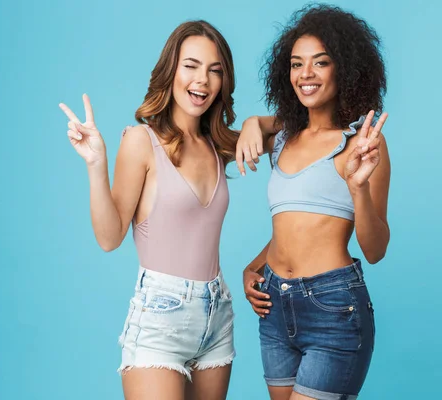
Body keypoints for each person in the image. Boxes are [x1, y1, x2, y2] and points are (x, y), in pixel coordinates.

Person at [59, 20, 273, 400]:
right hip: (160, 316)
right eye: (191, 66)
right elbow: (110, 238)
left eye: (214, 70)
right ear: (170, 71)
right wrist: (96, 165)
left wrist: (256, 122)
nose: (202, 81)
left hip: (217, 316)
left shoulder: (218, 145)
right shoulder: (142, 141)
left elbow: (302, 124)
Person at [239, 4, 391, 399]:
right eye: (296, 64)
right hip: (274, 307)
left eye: (320, 63)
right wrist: (253, 268)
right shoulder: (285, 136)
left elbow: (375, 250)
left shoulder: (363, 141)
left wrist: (358, 187)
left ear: (344, 68)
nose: (305, 74)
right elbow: (294, 225)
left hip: (333, 308)